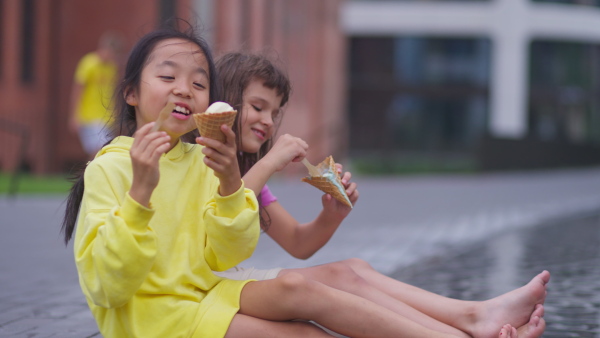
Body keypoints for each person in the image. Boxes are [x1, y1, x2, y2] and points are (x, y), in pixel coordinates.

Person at [60, 22, 546, 337]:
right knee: (315, 305)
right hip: (158, 321)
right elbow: (108, 287)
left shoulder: (202, 161)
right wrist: (142, 193)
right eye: (168, 77)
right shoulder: (110, 168)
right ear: (129, 93)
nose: (185, 88)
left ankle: (472, 322)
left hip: (208, 294)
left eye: (198, 81)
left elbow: (228, 252)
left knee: (335, 281)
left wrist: (236, 185)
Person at [210, 51, 550, 337]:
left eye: (274, 112)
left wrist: (331, 216)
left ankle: (472, 317)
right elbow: (209, 228)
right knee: (333, 281)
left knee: (352, 267)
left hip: (234, 280)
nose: (268, 121)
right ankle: (467, 327)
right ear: (223, 103)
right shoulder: (201, 163)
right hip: (206, 284)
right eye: (258, 107)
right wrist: (269, 162)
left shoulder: (249, 175)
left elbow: (299, 244)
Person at [69, 31, 123, 158]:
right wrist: (74, 115)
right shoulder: (89, 63)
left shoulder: (112, 67)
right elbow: (78, 90)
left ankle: (90, 176)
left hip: (107, 115)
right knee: (98, 150)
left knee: (100, 151)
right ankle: (91, 176)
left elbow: (113, 92)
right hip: (89, 115)